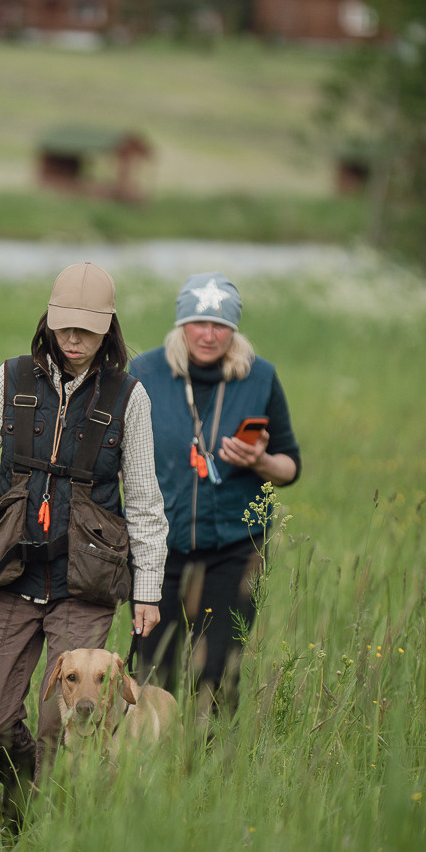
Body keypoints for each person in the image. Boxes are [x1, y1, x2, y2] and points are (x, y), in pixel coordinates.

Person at [0, 262, 168, 828]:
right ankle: (25, 784)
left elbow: (145, 501)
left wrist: (147, 590)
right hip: (13, 573)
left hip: (86, 583)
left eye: (87, 330)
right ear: (48, 321)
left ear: (108, 329)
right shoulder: (11, 380)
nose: (73, 340)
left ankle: (33, 828)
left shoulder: (131, 397)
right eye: (64, 327)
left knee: (60, 722)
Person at [128, 272, 300, 727]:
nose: (208, 335)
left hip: (235, 547)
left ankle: (210, 776)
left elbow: (290, 467)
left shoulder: (260, 376)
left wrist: (260, 459)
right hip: (157, 547)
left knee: (218, 671)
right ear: (181, 323)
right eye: (199, 322)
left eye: (220, 325)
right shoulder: (143, 372)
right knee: (153, 669)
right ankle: (148, 771)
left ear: (234, 329)